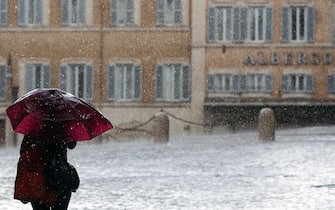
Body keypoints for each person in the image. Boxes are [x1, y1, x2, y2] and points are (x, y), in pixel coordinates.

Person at [14, 133, 78, 210]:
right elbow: (72, 145)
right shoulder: (63, 126)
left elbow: (23, 151)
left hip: (39, 180)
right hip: (59, 176)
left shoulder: (34, 129)